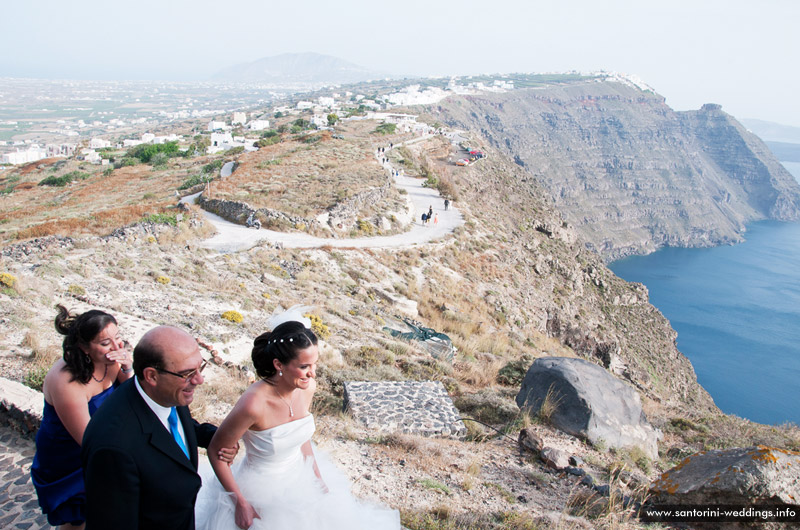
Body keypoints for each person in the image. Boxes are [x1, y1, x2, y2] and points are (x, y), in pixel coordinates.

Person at [195, 307, 400, 530]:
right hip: (261, 492)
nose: (313, 373)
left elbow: (301, 436)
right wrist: (240, 502)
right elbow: (216, 452)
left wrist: (317, 479)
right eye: (304, 366)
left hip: (299, 478)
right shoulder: (253, 404)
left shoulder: (307, 387)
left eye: (315, 364)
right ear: (278, 365)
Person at [81, 326, 236, 530]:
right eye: (188, 373)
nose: (199, 380)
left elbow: (178, 426)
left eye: (200, 368)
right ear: (152, 376)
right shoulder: (113, 447)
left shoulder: (166, 392)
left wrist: (215, 438)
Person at [31, 305, 133, 530]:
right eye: (105, 343)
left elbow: (130, 394)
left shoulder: (112, 360)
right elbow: (89, 440)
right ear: (84, 347)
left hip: (103, 441)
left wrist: (127, 367)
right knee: (77, 519)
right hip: (69, 457)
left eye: (119, 339)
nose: (116, 347)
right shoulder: (66, 382)